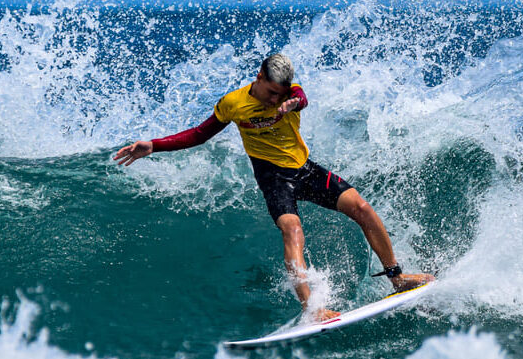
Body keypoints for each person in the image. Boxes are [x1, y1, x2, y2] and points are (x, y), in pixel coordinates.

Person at [114, 53, 435, 320]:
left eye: (280, 94)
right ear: (258, 77)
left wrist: (291, 104)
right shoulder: (234, 104)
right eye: (271, 92)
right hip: (274, 179)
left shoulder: (291, 94)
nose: (275, 99)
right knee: (293, 231)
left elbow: (301, 97)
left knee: (362, 209)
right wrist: (153, 146)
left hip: (305, 170)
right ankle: (312, 308)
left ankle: (397, 277)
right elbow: (199, 134)